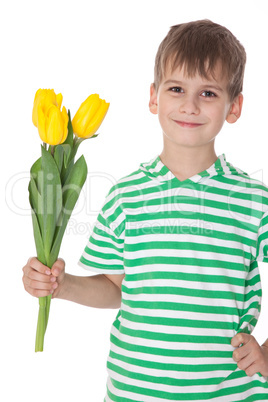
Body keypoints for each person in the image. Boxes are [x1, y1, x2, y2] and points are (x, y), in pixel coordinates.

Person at [23, 19, 268, 401]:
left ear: (233, 106)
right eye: (176, 89)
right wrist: (61, 285)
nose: (189, 105)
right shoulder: (125, 197)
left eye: (208, 93)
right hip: (135, 391)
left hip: (230, 393)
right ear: (154, 98)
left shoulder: (254, 200)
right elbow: (116, 288)